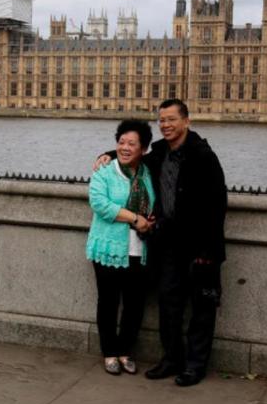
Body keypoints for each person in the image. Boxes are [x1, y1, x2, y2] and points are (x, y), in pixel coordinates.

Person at [96, 99, 227, 387]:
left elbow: (217, 206)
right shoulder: (158, 153)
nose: (165, 125)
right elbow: (134, 155)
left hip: (200, 247)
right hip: (168, 244)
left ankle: (195, 365)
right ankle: (171, 359)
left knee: (201, 309)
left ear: (186, 121)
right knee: (169, 305)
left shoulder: (204, 156)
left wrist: (209, 251)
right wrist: (108, 154)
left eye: (171, 119)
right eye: (162, 120)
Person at [86, 120, 155, 375]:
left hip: (139, 248)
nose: (125, 147)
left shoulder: (148, 173)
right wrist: (135, 218)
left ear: (144, 149)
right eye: (121, 142)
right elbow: (100, 205)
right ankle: (109, 352)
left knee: (135, 304)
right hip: (107, 247)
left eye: (131, 144)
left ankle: (126, 350)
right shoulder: (104, 170)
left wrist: (150, 218)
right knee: (108, 302)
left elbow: (154, 206)